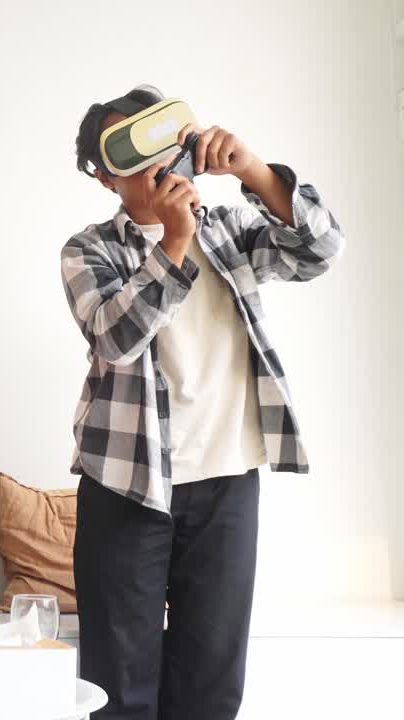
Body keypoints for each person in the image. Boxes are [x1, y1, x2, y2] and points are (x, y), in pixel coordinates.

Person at [61, 84, 345, 720]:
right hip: (125, 486)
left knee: (212, 678)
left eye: (160, 136)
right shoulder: (89, 249)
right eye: (130, 151)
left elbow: (321, 249)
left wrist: (253, 169)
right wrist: (173, 239)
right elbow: (115, 336)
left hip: (226, 480)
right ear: (106, 177)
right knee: (117, 683)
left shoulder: (233, 230)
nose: (158, 160)